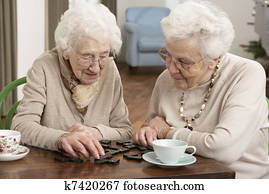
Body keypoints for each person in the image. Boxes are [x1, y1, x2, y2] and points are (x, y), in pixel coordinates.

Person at [133, 0, 269, 178]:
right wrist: (147, 133)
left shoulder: (246, 74)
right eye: (167, 54)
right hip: (177, 177)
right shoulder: (166, 79)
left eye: (183, 62)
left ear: (214, 59)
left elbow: (224, 150)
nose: (171, 68)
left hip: (238, 180)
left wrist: (168, 132)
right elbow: (153, 130)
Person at [11, 2, 132, 160]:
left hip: (98, 169)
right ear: (65, 50)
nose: (96, 68)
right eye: (87, 56)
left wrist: (96, 132)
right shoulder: (44, 67)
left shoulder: (110, 68)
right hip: (51, 167)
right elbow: (21, 126)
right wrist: (61, 138)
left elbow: (125, 131)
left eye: (103, 55)